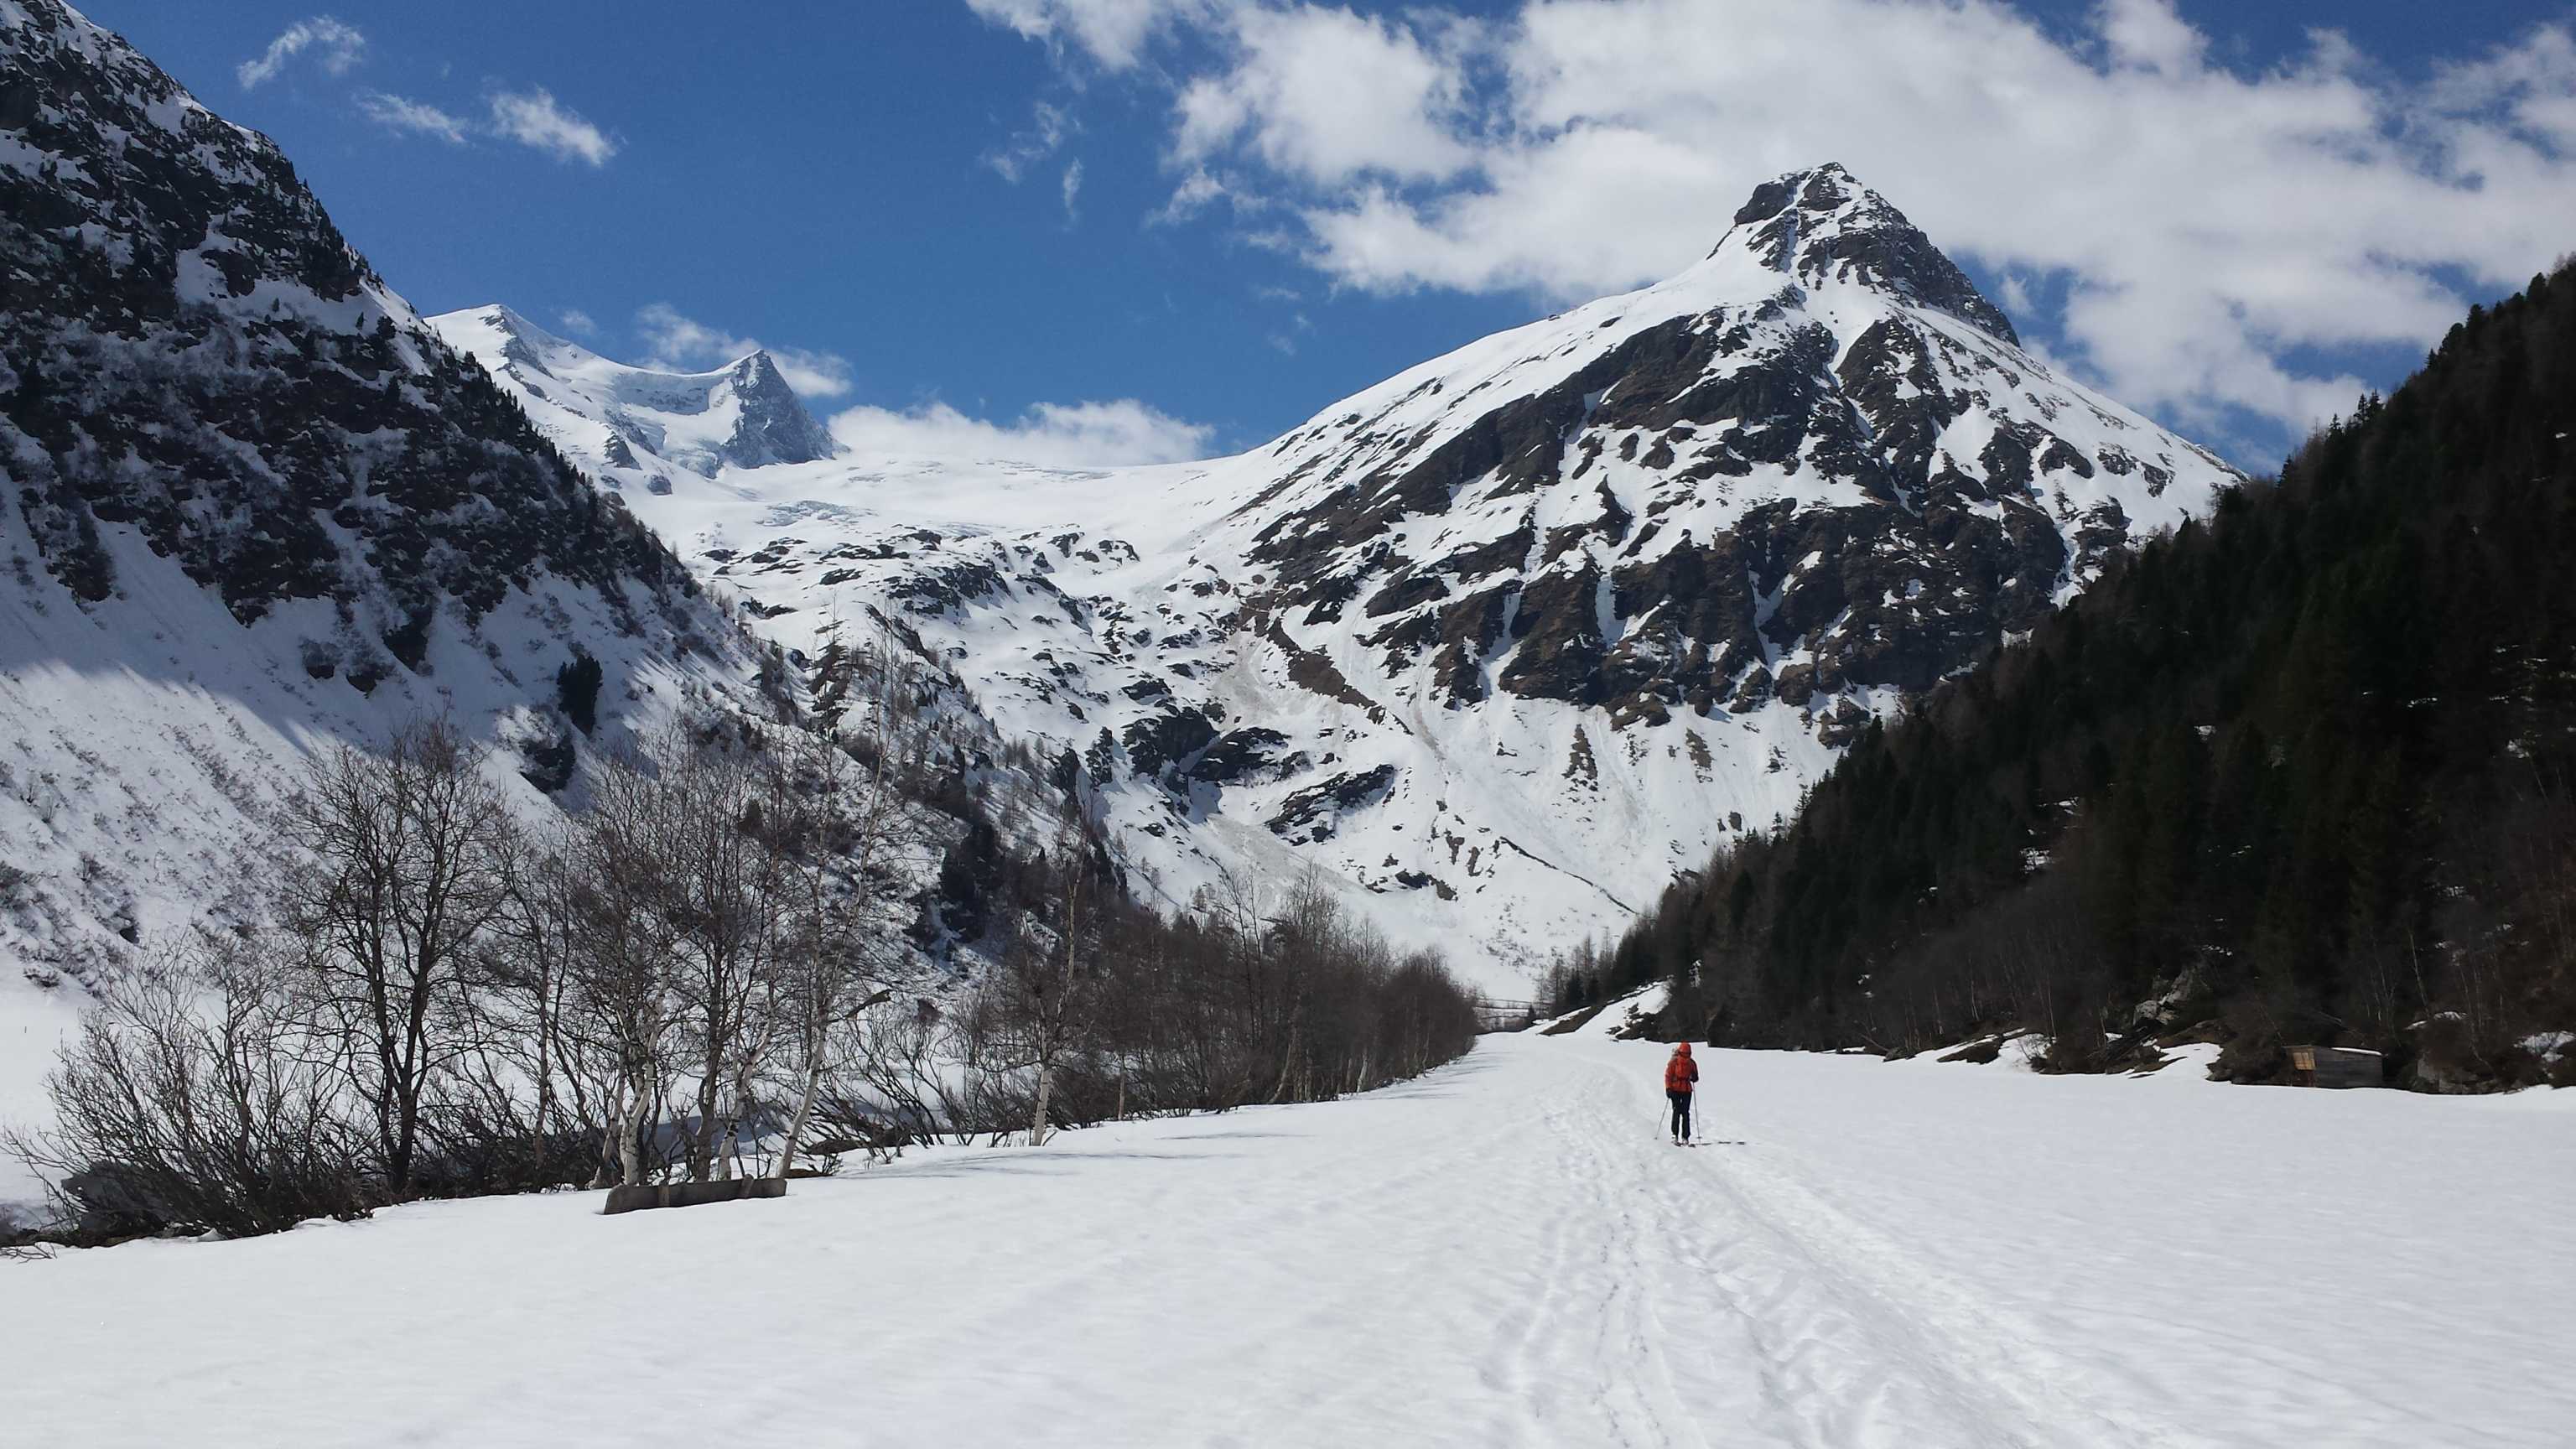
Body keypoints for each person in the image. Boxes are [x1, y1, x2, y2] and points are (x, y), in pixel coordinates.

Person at [1664, 1041, 1699, 1145]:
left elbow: (1695, 1077)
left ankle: (1684, 1136)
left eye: (1687, 1054)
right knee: (1677, 1111)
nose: (1686, 1056)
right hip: (1676, 1089)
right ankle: (1676, 1135)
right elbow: (1668, 1076)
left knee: (1684, 1113)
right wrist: (1668, 1088)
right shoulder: (1674, 1062)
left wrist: (1694, 1077)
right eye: (1685, 1053)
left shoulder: (1691, 1063)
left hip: (1686, 1090)